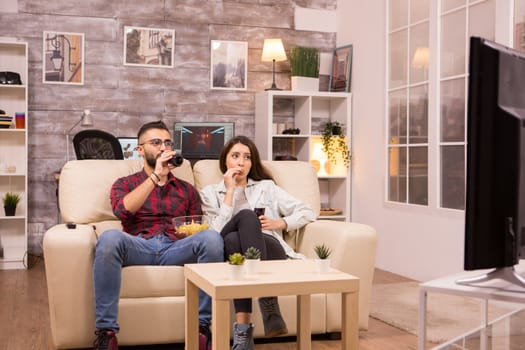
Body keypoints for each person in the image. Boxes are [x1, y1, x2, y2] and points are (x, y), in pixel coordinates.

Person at [92, 121, 223, 350]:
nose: (163, 148)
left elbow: (196, 227)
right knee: (109, 238)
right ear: (140, 150)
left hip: (176, 248)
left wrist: (190, 231)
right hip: (139, 246)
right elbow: (123, 210)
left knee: (211, 239)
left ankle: (202, 329)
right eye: (156, 142)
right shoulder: (125, 183)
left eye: (167, 142)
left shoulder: (186, 189)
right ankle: (107, 333)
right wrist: (155, 177)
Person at [199, 135, 317, 350]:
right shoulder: (210, 193)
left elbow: (307, 211)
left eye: (247, 157)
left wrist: (279, 222)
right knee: (240, 226)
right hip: (229, 249)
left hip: (270, 249)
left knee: (242, 233)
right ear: (225, 160)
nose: (241, 162)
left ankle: (243, 336)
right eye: (235, 156)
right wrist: (230, 192)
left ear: (252, 163)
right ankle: (268, 301)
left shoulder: (266, 187)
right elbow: (213, 234)